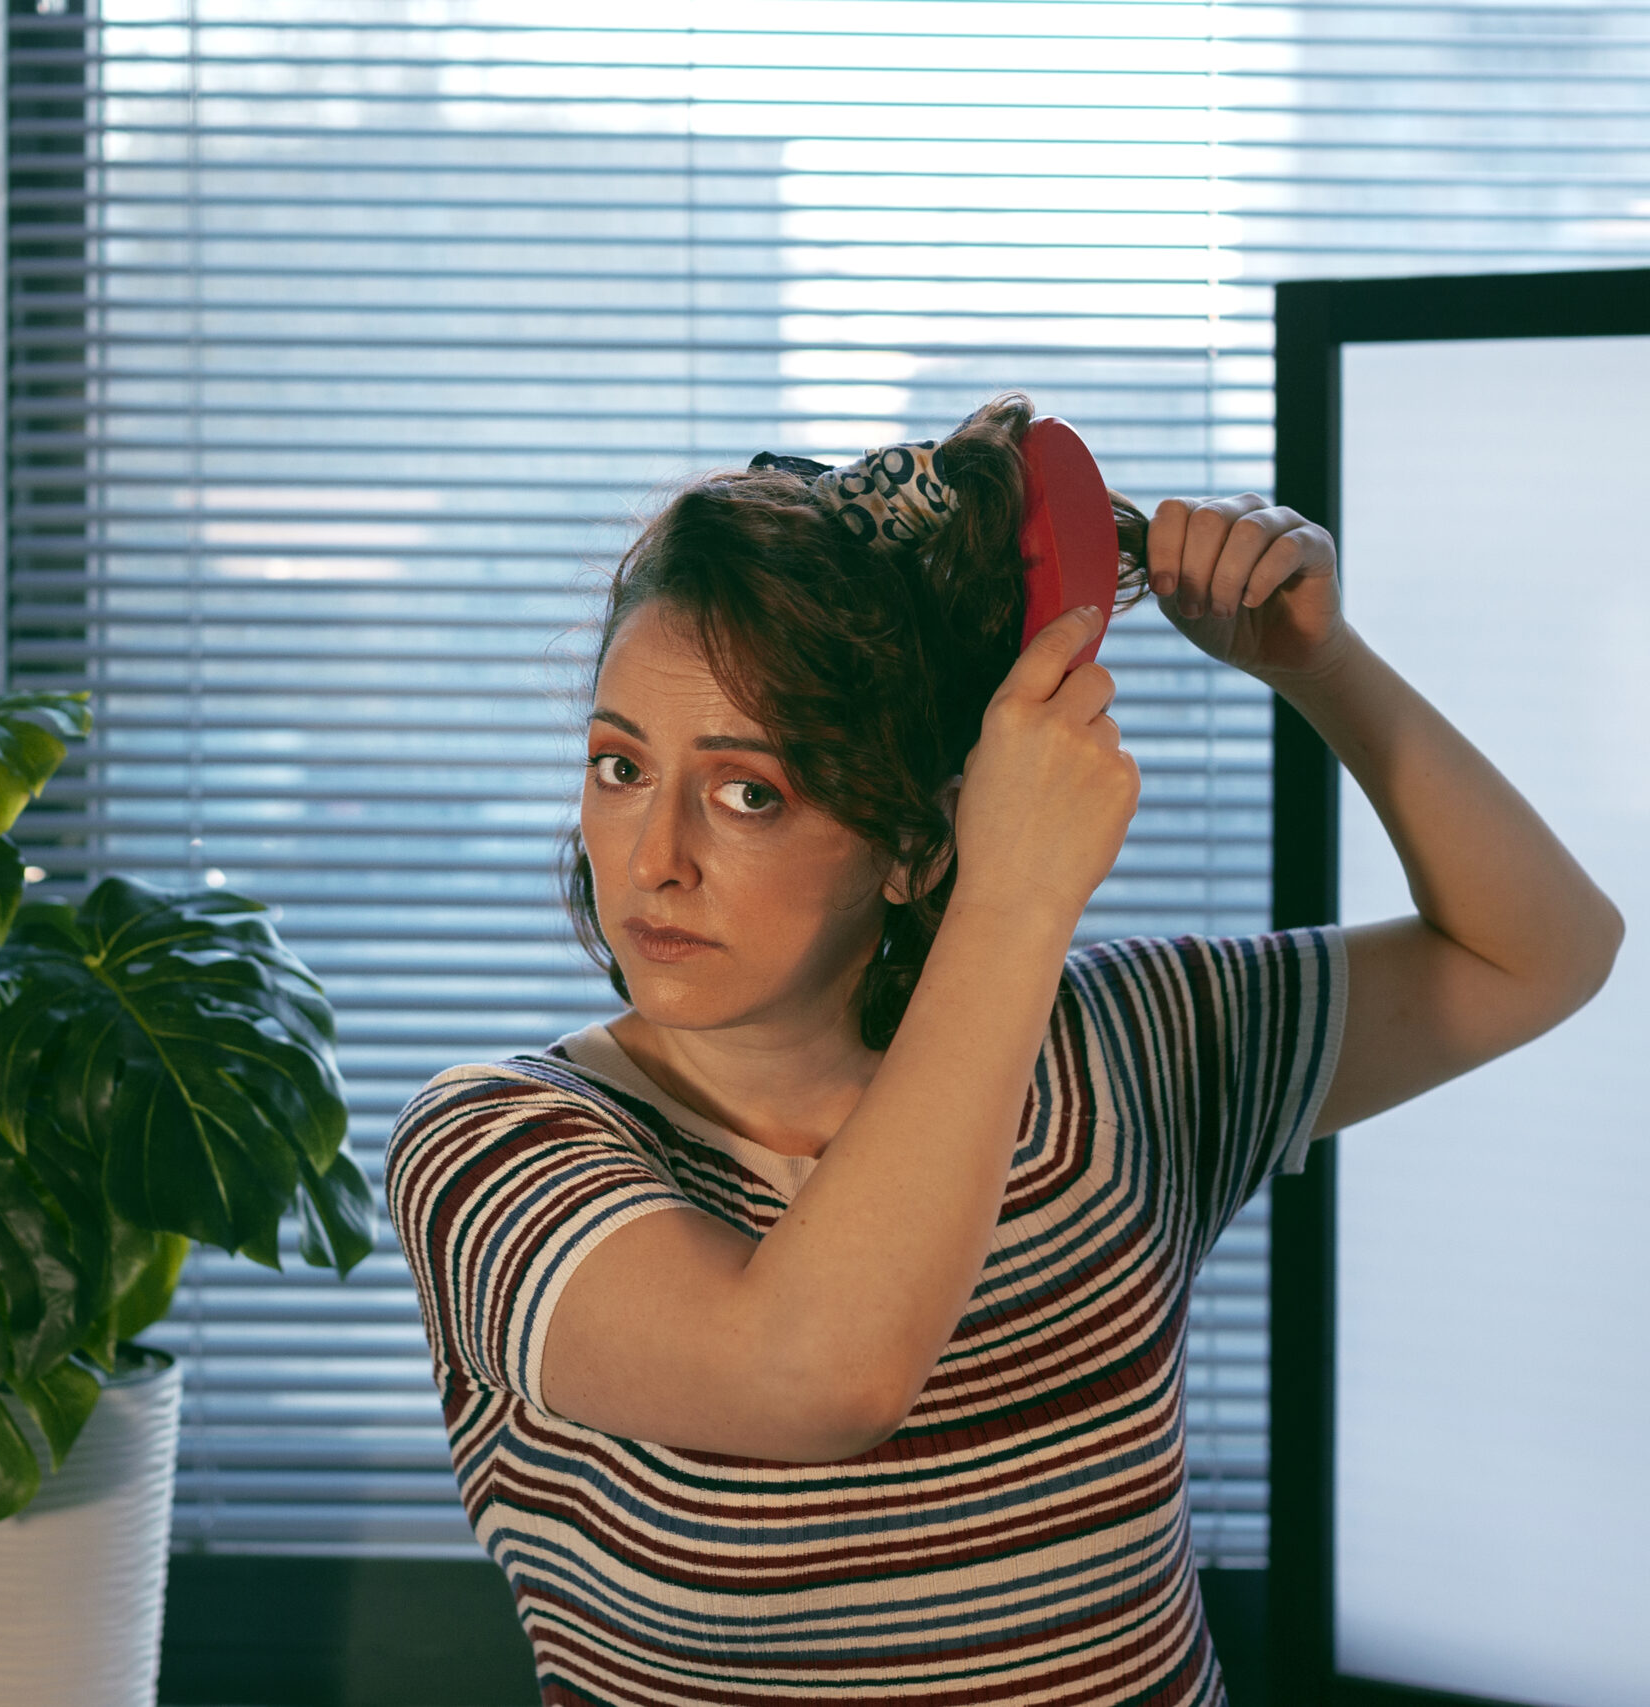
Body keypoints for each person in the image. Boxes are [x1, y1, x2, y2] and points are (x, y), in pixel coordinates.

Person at [384, 393, 1625, 1705]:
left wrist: (1320, 665)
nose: (653, 859)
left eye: (750, 791)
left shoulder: (1115, 1055)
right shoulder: (494, 1149)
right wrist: (1015, 895)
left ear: (914, 844)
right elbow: (816, 1377)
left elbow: (1542, 949)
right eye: (620, 767)